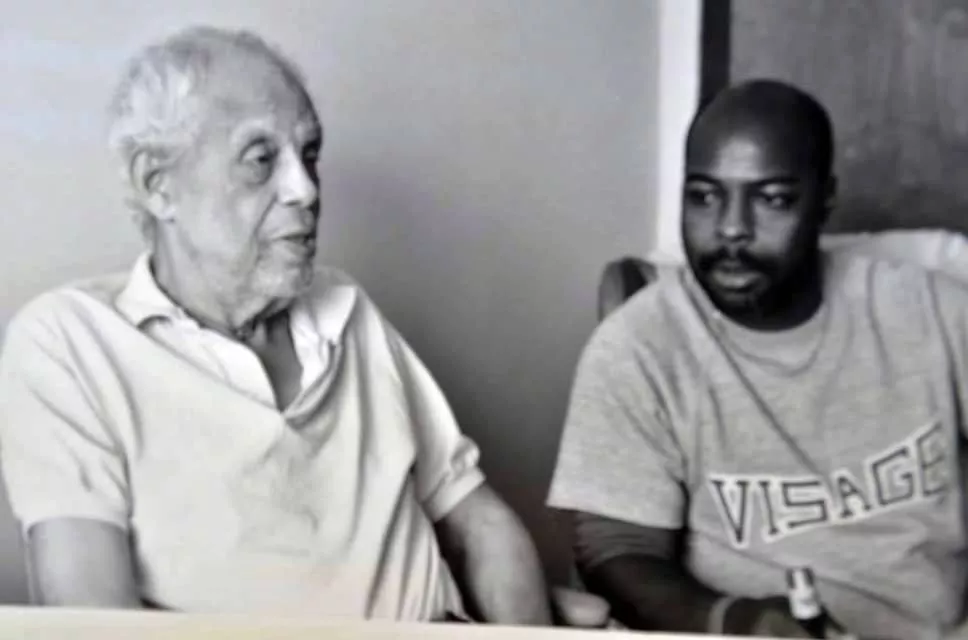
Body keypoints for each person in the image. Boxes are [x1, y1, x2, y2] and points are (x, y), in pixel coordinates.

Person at [0, 26, 607, 627]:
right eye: (261, 160)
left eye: (309, 156)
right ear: (157, 185)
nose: (306, 190)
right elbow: (90, 617)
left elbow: (481, 525)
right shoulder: (69, 343)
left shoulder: (346, 311)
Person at [547, 79, 968, 639]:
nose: (731, 229)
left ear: (824, 200)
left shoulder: (934, 312)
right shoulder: (639, 347)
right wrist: (731, 619)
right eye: (704, 196)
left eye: (772, 199)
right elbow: (616, 549)